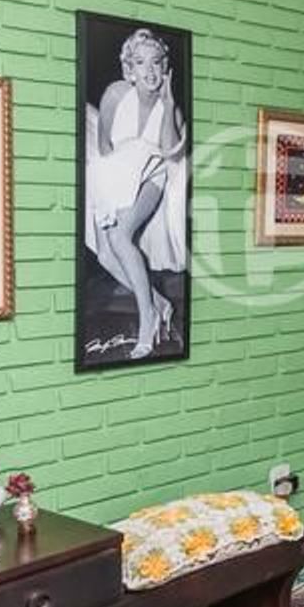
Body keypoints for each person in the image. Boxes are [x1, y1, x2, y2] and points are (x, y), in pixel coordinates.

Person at [84, 29, 187, 359]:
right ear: (129, 69)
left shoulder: (170, 109)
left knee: (121, 238)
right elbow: (103, 147)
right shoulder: (115, 94)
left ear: (165, 67)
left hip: (152, 176)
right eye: (140, 62)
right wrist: (117, 184)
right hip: (113, 172)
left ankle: (147, 321)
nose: (149, 70)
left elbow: (170, 153)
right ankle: (160, 304)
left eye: (156, 62)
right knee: (105, 255)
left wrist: (169, 105)